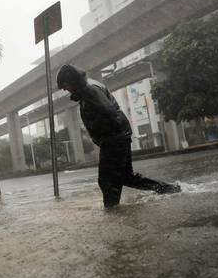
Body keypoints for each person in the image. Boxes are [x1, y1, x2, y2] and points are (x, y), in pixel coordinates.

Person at [56, 64, 181, 208]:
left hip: (113, 139)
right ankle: (169, 189)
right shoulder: (87, 89)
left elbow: (108, 112)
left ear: (72, 80)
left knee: (107, 180)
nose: (65, 89)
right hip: (119, 136)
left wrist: (106, 139)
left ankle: (112, 211)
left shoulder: (89, 90)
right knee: (126, 177)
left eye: (65, 85)